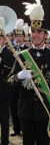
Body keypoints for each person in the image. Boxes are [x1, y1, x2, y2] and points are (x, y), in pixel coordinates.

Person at [9, 0, 50, 145]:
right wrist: (18, 77)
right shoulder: (22, 56)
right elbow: (9, 81)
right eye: (33, 31)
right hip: (25, 111)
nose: (35, 35)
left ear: (45, 34)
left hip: (44, 111)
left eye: (39, 32)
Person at [0, 16, 15, 145]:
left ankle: (4, 142)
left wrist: (1, 63)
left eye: (0, 38)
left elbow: (11, 70)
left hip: (3, 92)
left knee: (4, 120)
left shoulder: (9, 53)